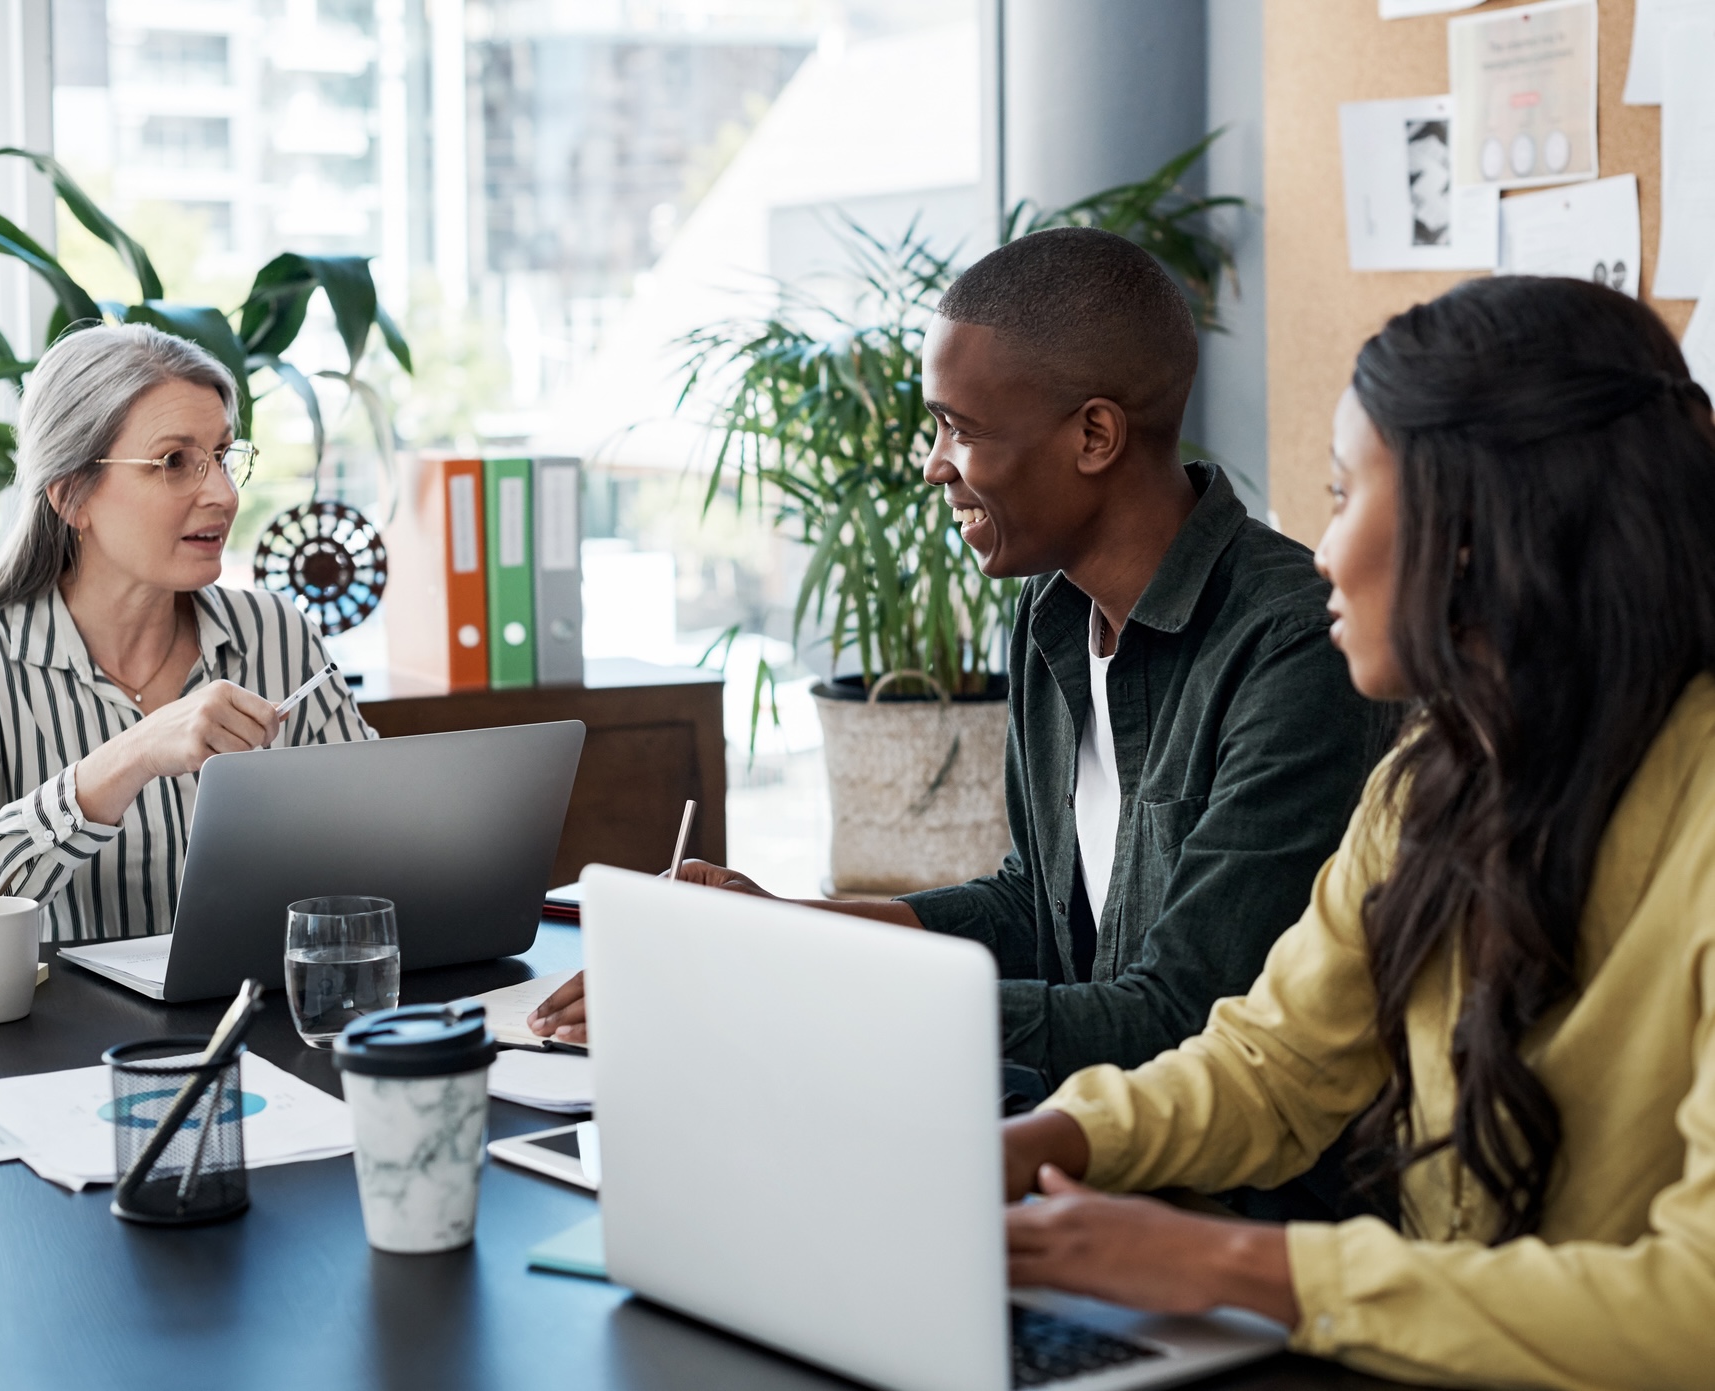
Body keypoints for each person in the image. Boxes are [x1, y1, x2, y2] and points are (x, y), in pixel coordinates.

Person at [1000, 276, 1715, 1388]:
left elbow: (1697, 1306)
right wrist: (1055, 1138)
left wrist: (1246, 1266)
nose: (1321, 551)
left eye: (1342, 495)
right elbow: (1276, 1065)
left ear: (1473, 530)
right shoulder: (1427, 780)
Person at [529, 228, 1390, 1105]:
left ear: (1095, 434)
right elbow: (1033, 910)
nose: (933, 465)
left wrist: (776, 978)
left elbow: (1179, 1020)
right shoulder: (1050, 614)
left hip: (1225, 1197)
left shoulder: (1293, 647)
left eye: (959, 429)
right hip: (1076, 1126)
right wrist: (778, 926)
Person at [0, 323, 372, 943]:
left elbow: (380, 852)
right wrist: (130, 757)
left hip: (263, 1023)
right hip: (62, 1036)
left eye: (222, 457)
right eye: (174, 462)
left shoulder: (280, 634)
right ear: (71, 496)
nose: (222, 494)